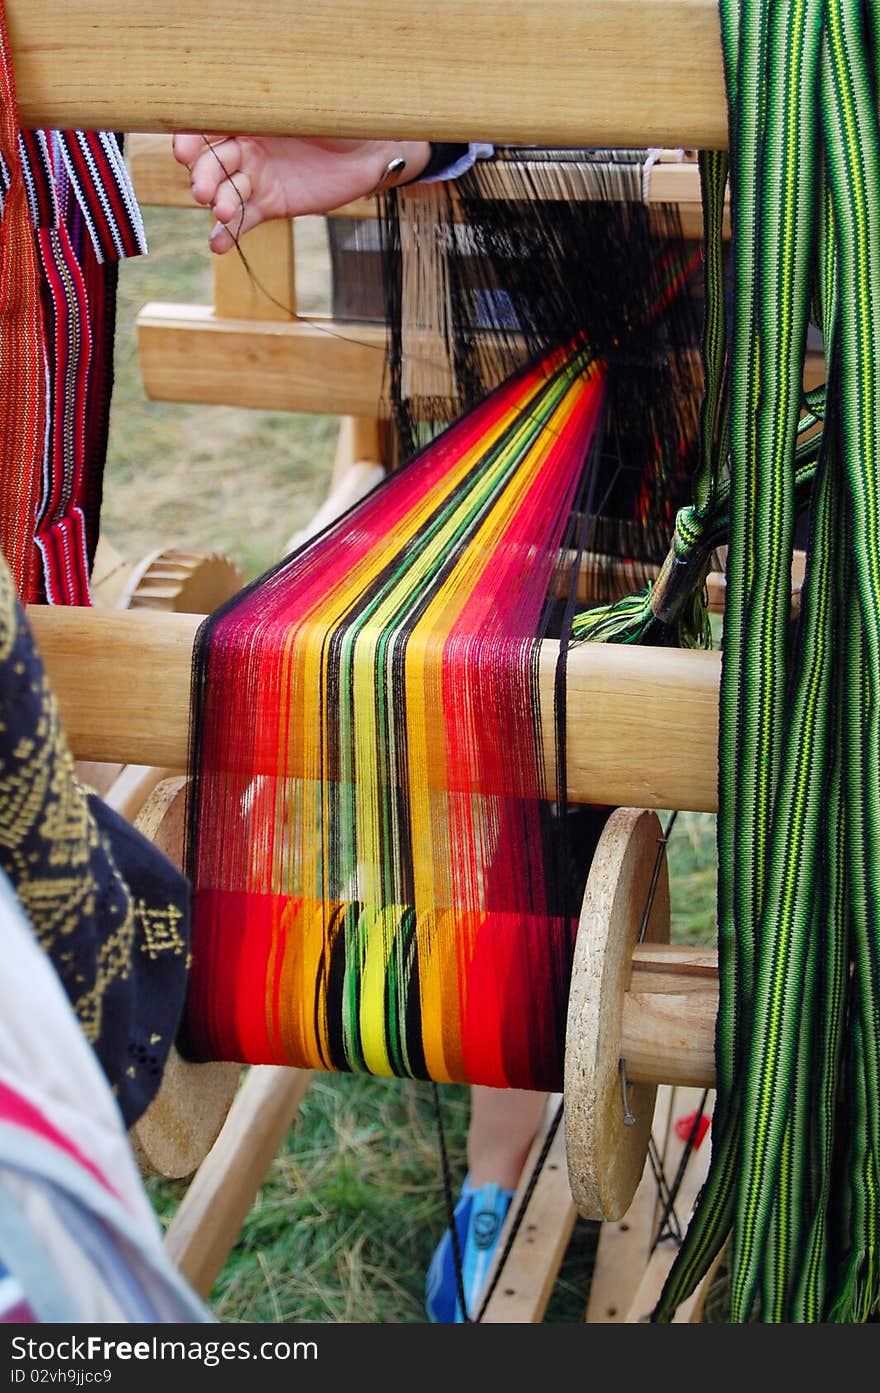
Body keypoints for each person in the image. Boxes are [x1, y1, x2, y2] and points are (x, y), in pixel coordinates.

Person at [172, 129, 550, 1323]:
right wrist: (393, 148)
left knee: (538, 726)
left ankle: (495, 1161)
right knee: (448, 690)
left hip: (635, 372)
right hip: (436, 368)